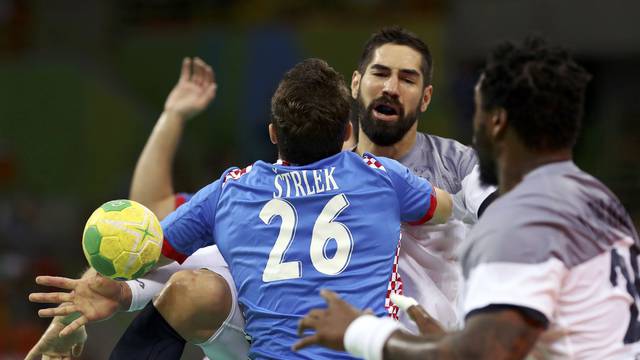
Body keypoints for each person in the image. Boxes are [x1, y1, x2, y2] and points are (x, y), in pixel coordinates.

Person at [31, 58, 453, 359]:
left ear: (272, 133)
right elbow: (443, 207)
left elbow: (143, 246)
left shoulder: (234, 192)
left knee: (192, 288)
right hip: (376, 348)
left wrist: (89, 298)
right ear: (347, 131)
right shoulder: (383, 177)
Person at [296, 37, 640, 360]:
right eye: (381, 73)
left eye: (407, 79)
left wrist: (364, 332)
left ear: (497, 123)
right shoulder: (600, 202)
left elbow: (477, 350)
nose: (391, 88)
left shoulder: (484, 190)